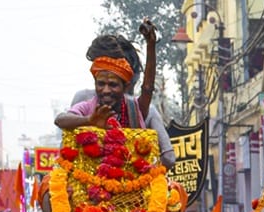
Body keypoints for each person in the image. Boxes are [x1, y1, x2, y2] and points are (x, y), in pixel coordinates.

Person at [53, 26, 176, 168]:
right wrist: (88, 120)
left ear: (126, 86)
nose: (106, 90)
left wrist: (151, 46)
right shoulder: (86, 104)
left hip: (134, 184)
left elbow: (169, 158)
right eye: (101, 84)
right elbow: (60, 122)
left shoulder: (137, 108)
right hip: (86, 184)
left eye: (113, 84)